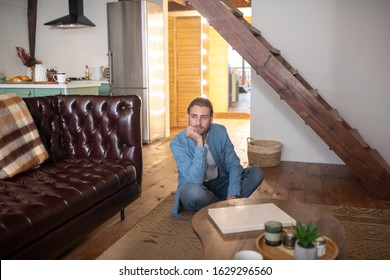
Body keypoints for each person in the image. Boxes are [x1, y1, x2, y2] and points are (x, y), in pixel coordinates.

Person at [170, 97, 264, 217]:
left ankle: (221, 204)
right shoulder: (178, 142)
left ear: (211, 119)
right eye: (194, 116)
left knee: (256, 173)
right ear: (188, 117)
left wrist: (232, 194)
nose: (198, 123)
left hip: (219, 183)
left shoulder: (220, 132)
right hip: (195, 187)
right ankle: (226, 207)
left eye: (204, 117)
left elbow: (234, 165)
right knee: (193, 193)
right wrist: (199, 144)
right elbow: (196, 179)